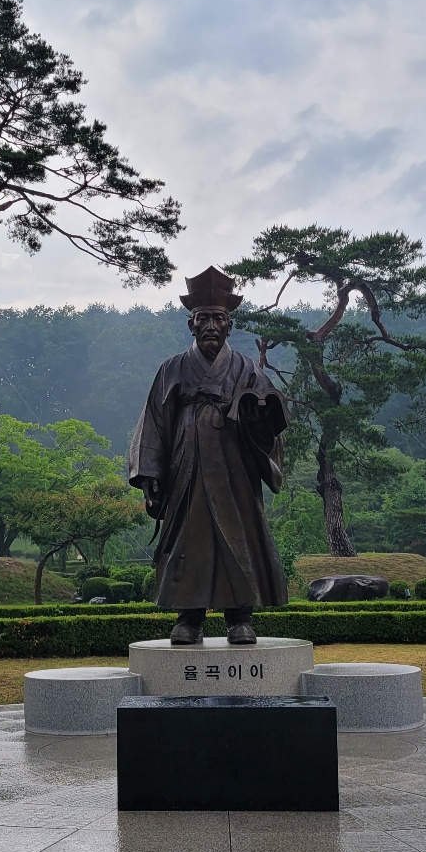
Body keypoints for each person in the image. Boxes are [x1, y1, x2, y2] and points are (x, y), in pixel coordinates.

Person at [129, 265, 289, 646]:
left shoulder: (247, 369)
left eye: (219, 319)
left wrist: (258, 418)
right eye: (203, 319)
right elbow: (155, 422)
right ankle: (189, 617)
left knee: (240, 533)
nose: (211, 326)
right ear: (191, 325)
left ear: (229, 325)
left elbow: (272, 423)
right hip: (187, 463)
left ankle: (240, 617)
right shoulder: (172, 369)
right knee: (188, 535)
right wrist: (150, 474)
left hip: (235, 467)